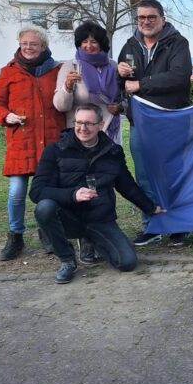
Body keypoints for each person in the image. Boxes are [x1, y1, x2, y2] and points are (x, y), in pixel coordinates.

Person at [29, 105, 165, 284]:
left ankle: (93, 240)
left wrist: (150, 208)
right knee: (44, 207)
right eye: (78, 122)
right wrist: (73, 194)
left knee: (127, 263)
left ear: (100, 124)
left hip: (99, 218)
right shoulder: (55, 150)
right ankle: (67, 260)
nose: (82, 128)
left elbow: (127, 186)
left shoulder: (113, 152)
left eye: (88, 123)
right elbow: (37, 191)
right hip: (67, 216)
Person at [117, 0, 192, 248]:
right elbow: (122, 85)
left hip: (170, 120)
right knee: (144, 175)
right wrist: (120, 74)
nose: (146, 22)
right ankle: (152, 225)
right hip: (140, 122)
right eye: (141, 18)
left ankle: (179, 224)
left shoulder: (178, 43)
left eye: (151, 17)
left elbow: (179, 77)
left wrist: (141, 84)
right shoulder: (129, 45)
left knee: (174, 172)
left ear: (162, 18)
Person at [0, 25, 65, 261]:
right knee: (16, 193)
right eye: (24, 44)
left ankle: (47, 232)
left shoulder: (56, 70)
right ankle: (15, 236)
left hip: (51, 142)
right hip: (21, 143)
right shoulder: (9, 72)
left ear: (43, 46)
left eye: (34, 44)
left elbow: (65, 101)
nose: (29, 48)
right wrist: (5, 116)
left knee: (47, 194)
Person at [54, 20, 124, 266]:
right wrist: (67, 87)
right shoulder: (70, 67)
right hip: (81, 135)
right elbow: (61, 106)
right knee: (83, 186)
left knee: (107, 182)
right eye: (84, 41)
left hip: (109, 132)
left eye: (94, 41)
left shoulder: (114, 66)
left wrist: (121, 106)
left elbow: (120, 98)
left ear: (102, 43)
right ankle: (85, 240)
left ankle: (105, 231)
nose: (89, 45)